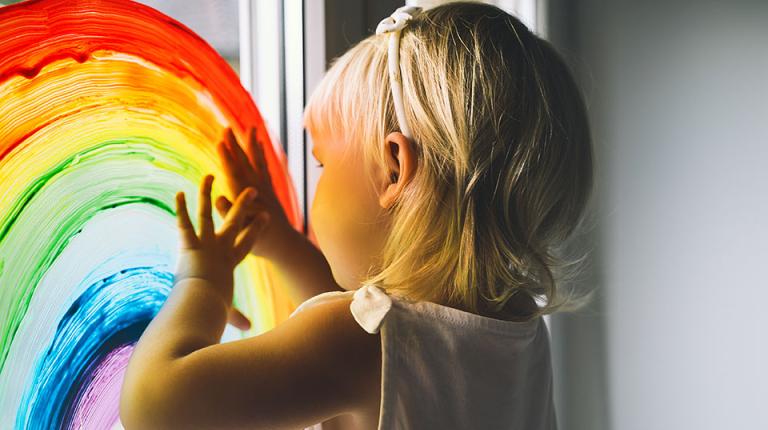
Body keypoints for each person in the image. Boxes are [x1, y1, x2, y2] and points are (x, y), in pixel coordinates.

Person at [120, 1, 594, 429]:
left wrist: (202, 282)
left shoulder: (363, 345)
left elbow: (155, 405)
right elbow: (364, 324)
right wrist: (282, 242)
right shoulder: (516, 330)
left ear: (393, 169)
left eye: (322, 164)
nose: (316, 183)